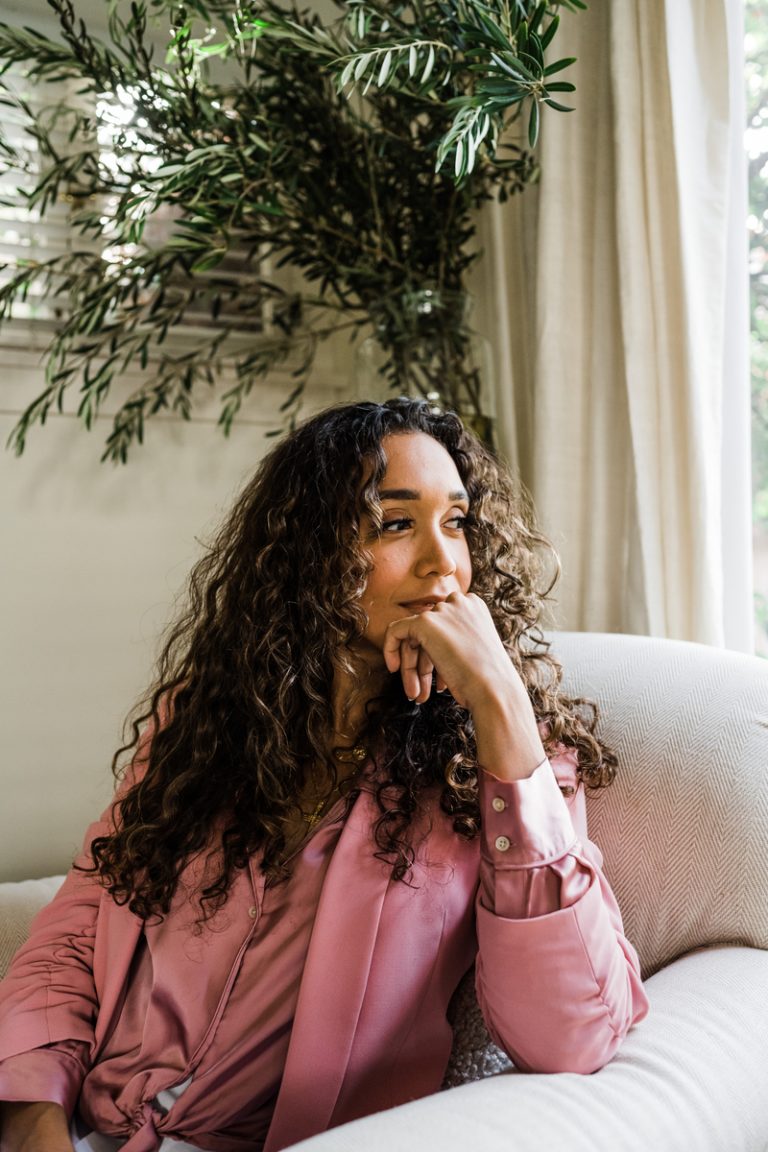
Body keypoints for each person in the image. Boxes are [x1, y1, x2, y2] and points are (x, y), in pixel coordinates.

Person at [0, 399, 648, 1152]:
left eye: (458, 523)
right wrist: (31, 1111)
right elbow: (82, 919)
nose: (445, 564)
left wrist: (501, 706)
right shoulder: (204, 720)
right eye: (396, 524)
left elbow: (571, 1036)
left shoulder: (503, 772)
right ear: (309, 554)